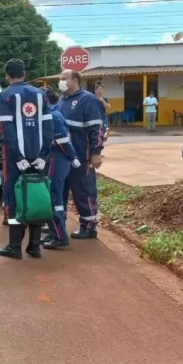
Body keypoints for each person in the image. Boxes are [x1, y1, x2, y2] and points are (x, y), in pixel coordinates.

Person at [0, 59, 54, 260]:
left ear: (7, 76)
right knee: (35, 194)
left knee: (13, 199)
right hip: (38, 156)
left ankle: (14, 247)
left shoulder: (5, 96)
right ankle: (34, 247)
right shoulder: (41, 94)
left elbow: (7, 130)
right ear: (25, 74)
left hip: (14, 158)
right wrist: (44, 155)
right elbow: (48, 127)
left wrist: (17, 156)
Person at [58, 69, 105, 239]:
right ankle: (57, 223)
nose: (61, 82)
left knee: (84, 191)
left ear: (75, 80)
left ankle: (89, 226)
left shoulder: (88, 100)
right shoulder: (62, 100)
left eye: (64, 79)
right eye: (60, 79)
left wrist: (96, 152)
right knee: (59, 191)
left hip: (81, 156)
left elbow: (97, 128)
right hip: (62, 156)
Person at [42, 88, 81, 250]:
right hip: (55, 160)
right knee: (54, 197)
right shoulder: (52, 113)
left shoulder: (53, 116)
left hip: (57, 160)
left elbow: (63, 141)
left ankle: (59, 236)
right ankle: (54, 232)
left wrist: (72, 157)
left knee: (53, 197)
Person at [95, 83, 110, 155]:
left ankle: (100, 150)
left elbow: (108, 108)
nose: (100, 91)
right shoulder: (92, 99)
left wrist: (102, 100)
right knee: (95, 134)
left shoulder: (105, 99)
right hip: (94, 119)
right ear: (96, 90)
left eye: (101, 89)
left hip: (103, 119)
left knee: (102, 134)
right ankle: (94, 150)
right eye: (98, 89)